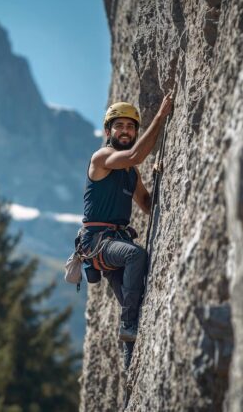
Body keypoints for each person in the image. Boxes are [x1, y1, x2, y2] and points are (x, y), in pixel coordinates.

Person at [79, 92, 175, 343]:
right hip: (97, 243)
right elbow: (135, 156)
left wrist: (158, 181)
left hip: (113, 243)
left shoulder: (131, 174)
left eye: (130, 127)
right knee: (136, 255)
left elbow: (145, 203)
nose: (125, 131)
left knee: (139, 304)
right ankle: (128, 325)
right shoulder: (101, 158)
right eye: (119, 126)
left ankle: (130, 351)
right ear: (108, 131)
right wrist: (161, 117)